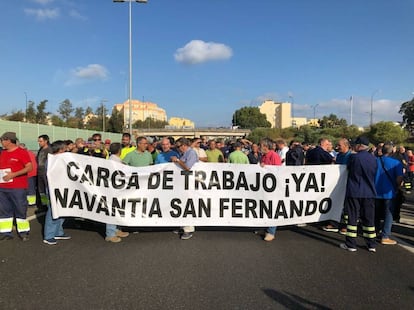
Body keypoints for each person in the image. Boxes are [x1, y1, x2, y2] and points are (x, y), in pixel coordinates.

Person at [340, 136, 377, 253]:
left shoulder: (353, 158)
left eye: (355, 144)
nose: (354, 146)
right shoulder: (373, 159)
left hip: (355, 191)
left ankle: (351, 244)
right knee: (369, 219)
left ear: (359, 145)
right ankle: (371, 244)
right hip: (369, 192)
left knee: (352, 218)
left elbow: (347, 170)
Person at [0, 132, 33, 241]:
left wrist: (13, 174)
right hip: (2, 188)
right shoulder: (3, 153)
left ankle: (23, 232)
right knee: (4, 211)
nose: (1, 142)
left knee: (20, 209)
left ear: (8, 140)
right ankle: (5, 232)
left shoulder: (21, 152)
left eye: (2, 140)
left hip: (17, 188)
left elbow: (29, 167)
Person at [43, 140, 72, 245]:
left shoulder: (61, 160)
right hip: (54, 190)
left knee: (62, 211)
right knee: (53, 212)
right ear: (60, 150)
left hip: (63, 189)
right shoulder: (51, 161)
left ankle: (58, 232)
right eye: (65, 149)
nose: (66, 151)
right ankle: (49, 235)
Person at [374, 143, 403, 245]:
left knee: (376, 213)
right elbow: (399, 178)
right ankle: (385, 236)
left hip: (376, 191)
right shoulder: (396, 163)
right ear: (392, 151)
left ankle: (375, 231)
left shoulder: (375, 161)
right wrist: (398, 187)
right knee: (388, 214)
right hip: (389, 192)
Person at [170, 137, 198, 240]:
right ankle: (183, 225)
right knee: (182, 203)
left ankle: (189, 229)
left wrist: (177, 160)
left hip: (190, 183)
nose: (177, 149)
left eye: (178, 146)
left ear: (184, 145)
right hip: (183, 183)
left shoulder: (191, 153)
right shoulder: (184, 154)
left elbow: (187, 167)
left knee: (188, 204)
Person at [323, 138, 352, 233]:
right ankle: (334, 223)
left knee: (347, 207)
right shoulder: (339, 155)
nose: (337, 147)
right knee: (336, 204)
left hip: (347, 184)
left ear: (346, 145)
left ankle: (346, 225)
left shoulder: (351, 156)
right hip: (338, 184)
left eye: (339, 145)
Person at [105, 142, 130, 243]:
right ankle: (110, 234)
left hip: (117, 189)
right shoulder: (113, 161)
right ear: (120, 151)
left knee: (117, 209)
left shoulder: (114, 159)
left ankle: (115, 229)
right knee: (112, 209)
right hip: (113, 190)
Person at [260, 138, 282, 241]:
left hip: (273, 187)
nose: (260, 147)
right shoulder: (264, 156)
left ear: (265, 146)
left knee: (272, 208)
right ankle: (266, 227)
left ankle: (271, 232)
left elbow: (278, 171)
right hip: (265, 187)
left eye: (261, 145)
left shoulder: (274, 156)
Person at [19, 142, 38, 207]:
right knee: (32, 189)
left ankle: (31, 202)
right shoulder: (30, 153)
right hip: (34, 173)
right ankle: (40, 203)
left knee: (30, 189)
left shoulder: (24, 154)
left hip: (29, 173)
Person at [37, 134, 52, 208]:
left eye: (41, 141)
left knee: (47, 189)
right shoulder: (40, 150)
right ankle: (44, 204)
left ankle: (49, 204)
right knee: (41, 190)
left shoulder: (49, 150)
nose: (39, 143)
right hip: (39, 172)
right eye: (38, 141)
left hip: (46, 172)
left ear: (46, 141)